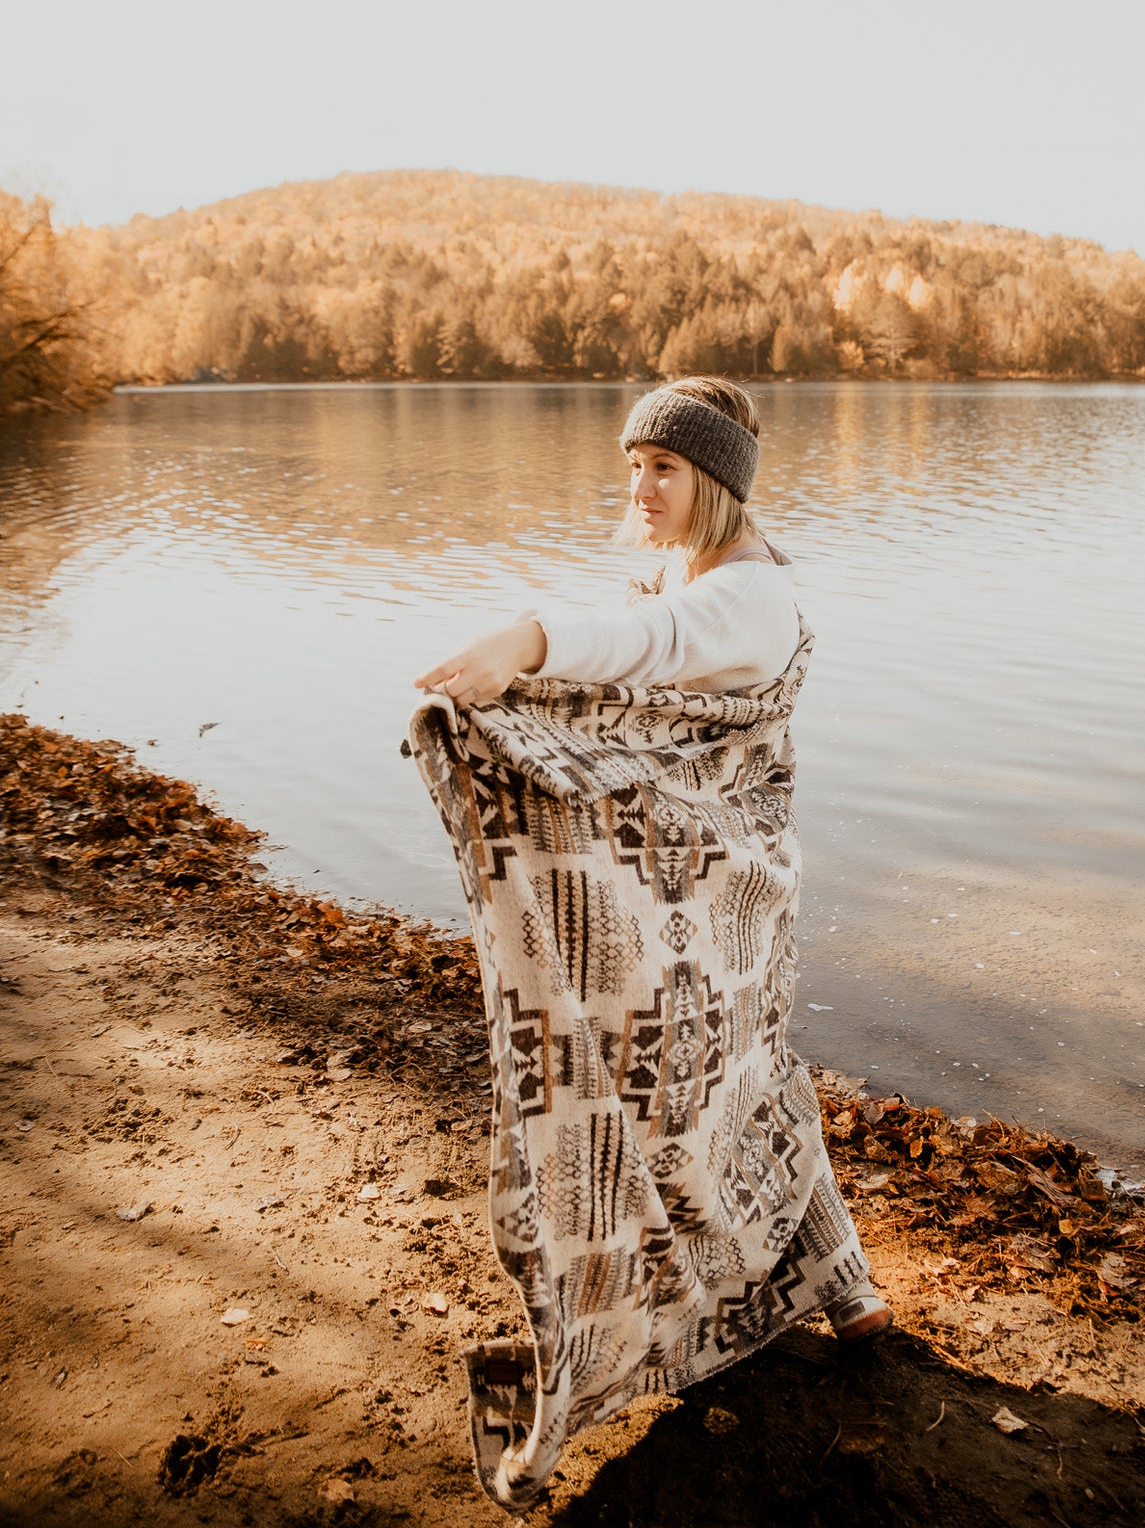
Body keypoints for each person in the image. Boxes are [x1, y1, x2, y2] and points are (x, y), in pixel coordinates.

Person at [410, 376, 890, 1510]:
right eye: (632, 464)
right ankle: (851, 1290)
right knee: (752, 1070)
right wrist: (526, 686)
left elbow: (648, 645)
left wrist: (524, 640)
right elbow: (635, 651)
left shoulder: (748, 596)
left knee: (701, 1087)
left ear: (716, 482)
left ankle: (692, 1305)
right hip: (704, 877)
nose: (640, 485)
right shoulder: (677, 572)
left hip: (726, 881)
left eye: (663, 468)